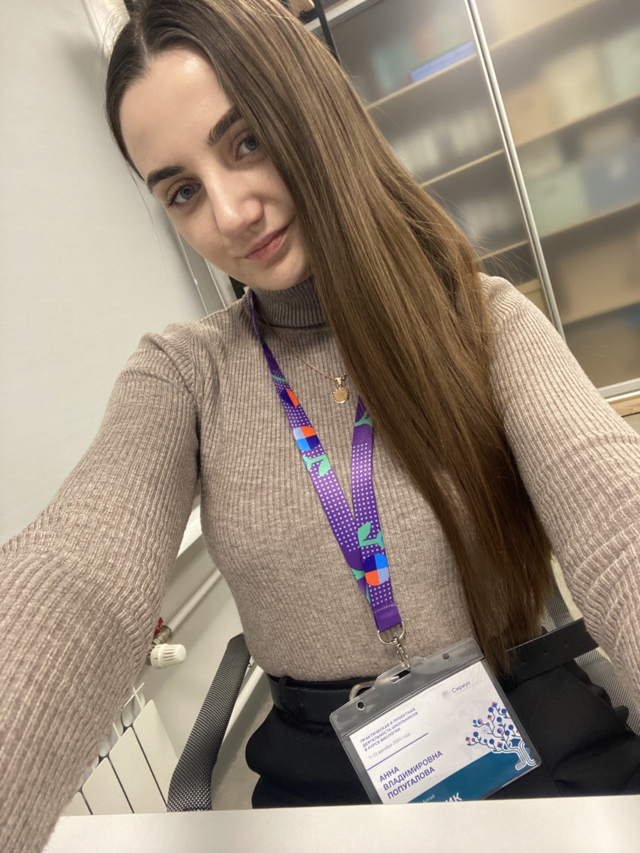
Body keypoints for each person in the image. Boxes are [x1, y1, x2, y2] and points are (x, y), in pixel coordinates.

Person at [2, 0, 640, 849]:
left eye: (246, 142)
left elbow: (618, 523)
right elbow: (80, 572)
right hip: (326, 770)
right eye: (183, 191)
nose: (230, 212)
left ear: (313, 112)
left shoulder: (483, 320)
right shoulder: (183, 372)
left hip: (524, 718)